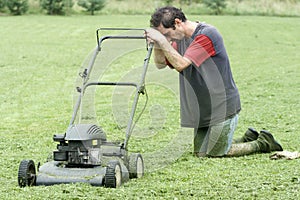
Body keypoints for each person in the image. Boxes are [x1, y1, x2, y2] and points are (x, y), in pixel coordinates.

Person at [146, 6, 283, 157]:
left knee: (215, 153)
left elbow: (181, 64)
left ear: (177, 23)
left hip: (221, 106)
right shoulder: (178, 39)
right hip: (202, 108)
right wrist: (158, 44)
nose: (167, 39)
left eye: (166, 34)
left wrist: (161, 40)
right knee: (200, 153)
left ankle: (262, 142)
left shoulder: (207, 34)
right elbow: (160, 64)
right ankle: (247, 137)